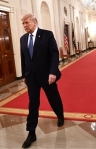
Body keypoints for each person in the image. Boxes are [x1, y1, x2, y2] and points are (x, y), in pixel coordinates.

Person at [20, 13, 64, 148]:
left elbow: (54, 53)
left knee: (53, 98)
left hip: (46, 76)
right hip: (31, 78)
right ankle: (31, 133)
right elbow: (24, 59)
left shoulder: (47, 34)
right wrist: (24, 75)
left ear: (34, 22)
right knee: (33, 103)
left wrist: (52, 72)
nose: (25, 26)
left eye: (26, 22)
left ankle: (60, 115)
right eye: (23, 23)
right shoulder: (23, 39)